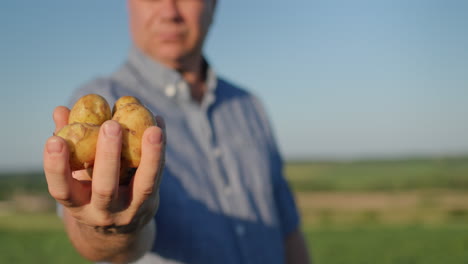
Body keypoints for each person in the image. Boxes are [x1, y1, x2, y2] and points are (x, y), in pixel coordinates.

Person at [43, 0, 311, 263]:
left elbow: (287, 229)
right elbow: (95, 243)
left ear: (214, 5)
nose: (169, 11)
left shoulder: (250, 106)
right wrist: (112, 230)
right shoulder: (100, 106)